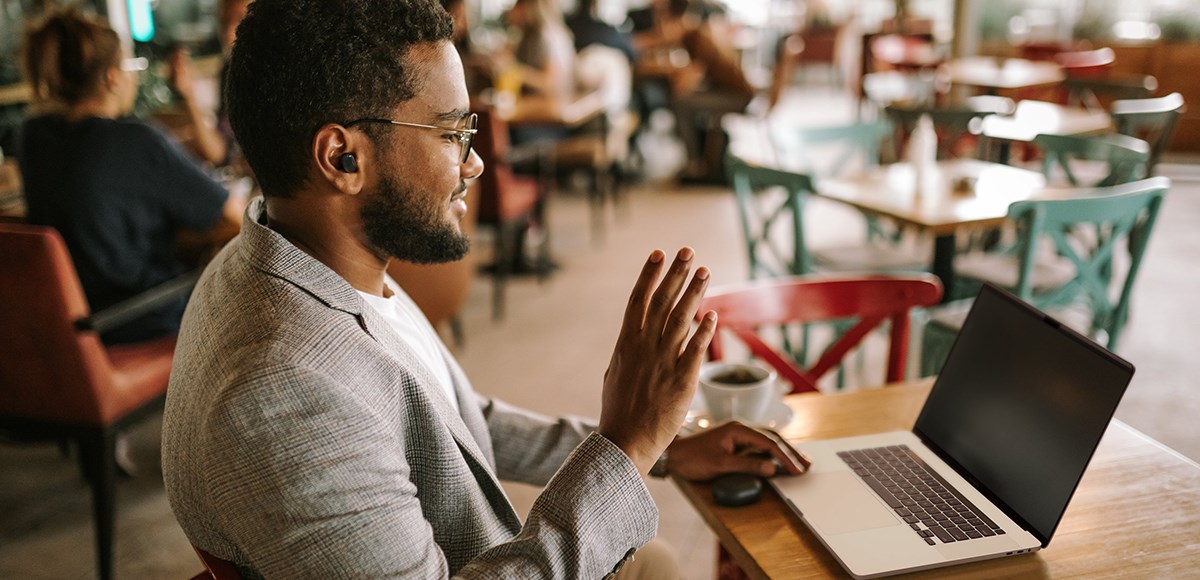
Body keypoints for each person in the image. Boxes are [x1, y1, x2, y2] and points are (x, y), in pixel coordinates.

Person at [161, 0, 809, 577]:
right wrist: (628, 446)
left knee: (658, 560)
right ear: (343, 158)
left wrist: (662, 449)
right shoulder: (287, 393)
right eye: (451, 133)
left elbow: (456, 423)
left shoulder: (297, 257)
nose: (474, 161)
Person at [19, 7, 235, 345]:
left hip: (68, 325)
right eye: (129, 66)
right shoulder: (135, 140)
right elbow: (234, 219)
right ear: (112, 78)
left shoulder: (33, 136)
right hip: (138, 318)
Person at [166, 0, 252, 168]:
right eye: (224, 22)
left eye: (240, 20)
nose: (228, 32)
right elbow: (222, 150)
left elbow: (221, 154)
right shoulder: (230, 70)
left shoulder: (274, 75)